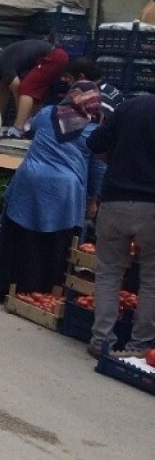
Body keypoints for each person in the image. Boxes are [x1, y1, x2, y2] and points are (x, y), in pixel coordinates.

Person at [0, 82, 105, 301]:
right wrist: (93, 199)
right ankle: (37, 294)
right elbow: (98, 169)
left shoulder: (47, 114)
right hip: (64, 191)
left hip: (30, 180)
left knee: (15, 238)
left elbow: (32, 128)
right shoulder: (92, 132)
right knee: (52, 245)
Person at [86, 93, 155, 359]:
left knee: (109, 273)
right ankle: (139, 346)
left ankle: (102, 339)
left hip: (115, 201)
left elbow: (95, 143)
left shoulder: (130, 106)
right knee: (151, 281)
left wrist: (115, 162)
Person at [7, 37, 70, 136]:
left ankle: (18, 128)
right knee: (37, 92)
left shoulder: (3, 61)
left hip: (54, 55)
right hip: (57, 56)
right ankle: (28, 124)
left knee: (26, 88)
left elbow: (15, 85)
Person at [0, 37, 52, 119]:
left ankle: (23, 125)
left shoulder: (1, 66)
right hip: (42, 54)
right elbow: (3, 91)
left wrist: (19, 119)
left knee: (26, 90)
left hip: (50, 56)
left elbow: (17, 89)